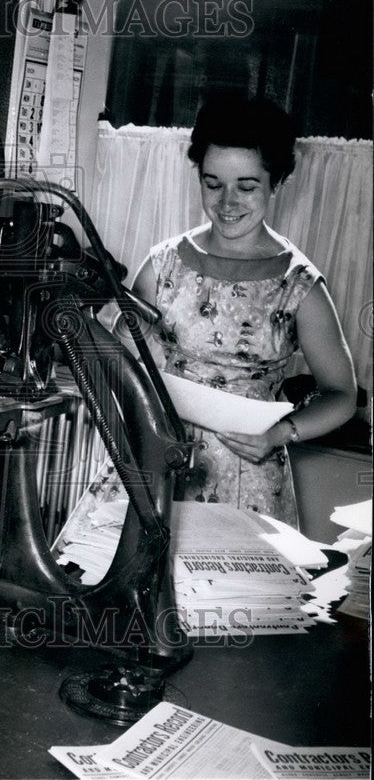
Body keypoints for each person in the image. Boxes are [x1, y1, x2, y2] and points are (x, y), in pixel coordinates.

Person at [130, 94, 357, 526]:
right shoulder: (162, 265)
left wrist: (282, 433)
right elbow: (118, 361)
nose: (227, 202)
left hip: (247, 480)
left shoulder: (299, 285)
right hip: (157, 461)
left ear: (277, 182)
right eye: (213, 184)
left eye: (247, 186)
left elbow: (342, 394)